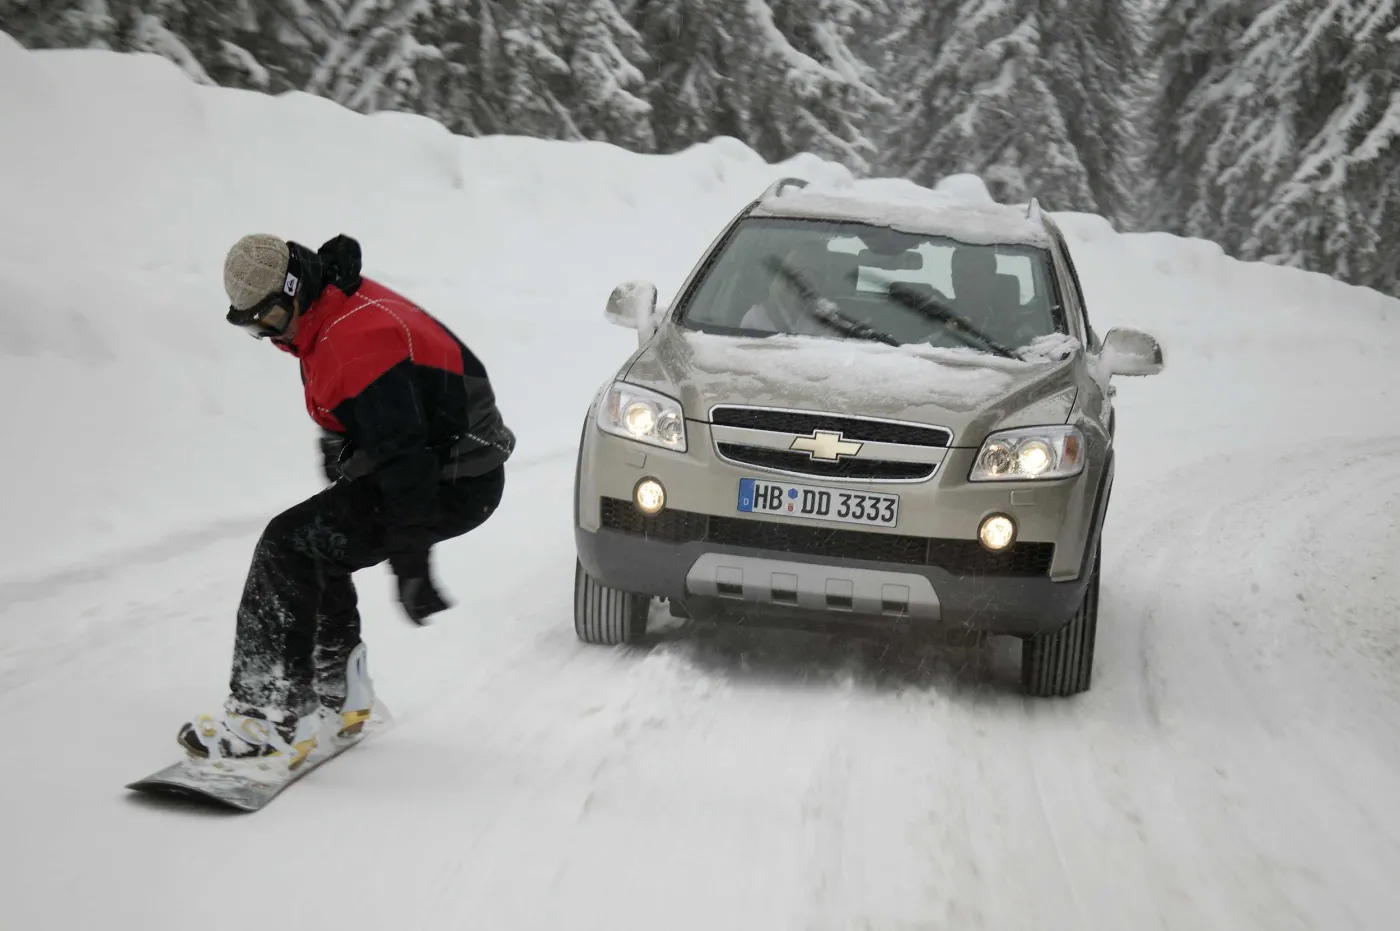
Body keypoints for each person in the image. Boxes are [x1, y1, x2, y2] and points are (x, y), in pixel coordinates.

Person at [178, 233, 515, 768]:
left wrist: (411, 564)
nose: (268, 334)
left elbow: (405, 462)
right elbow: (360, 419)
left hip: (452, 480)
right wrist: (343, 471)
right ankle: (341, 695)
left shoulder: (352, 339)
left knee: (287, 547)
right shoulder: (329, 306)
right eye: (252, 327)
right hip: (447, 466)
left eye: (270, 318)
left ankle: (267, 719)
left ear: (294, 290)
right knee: (314, 548)